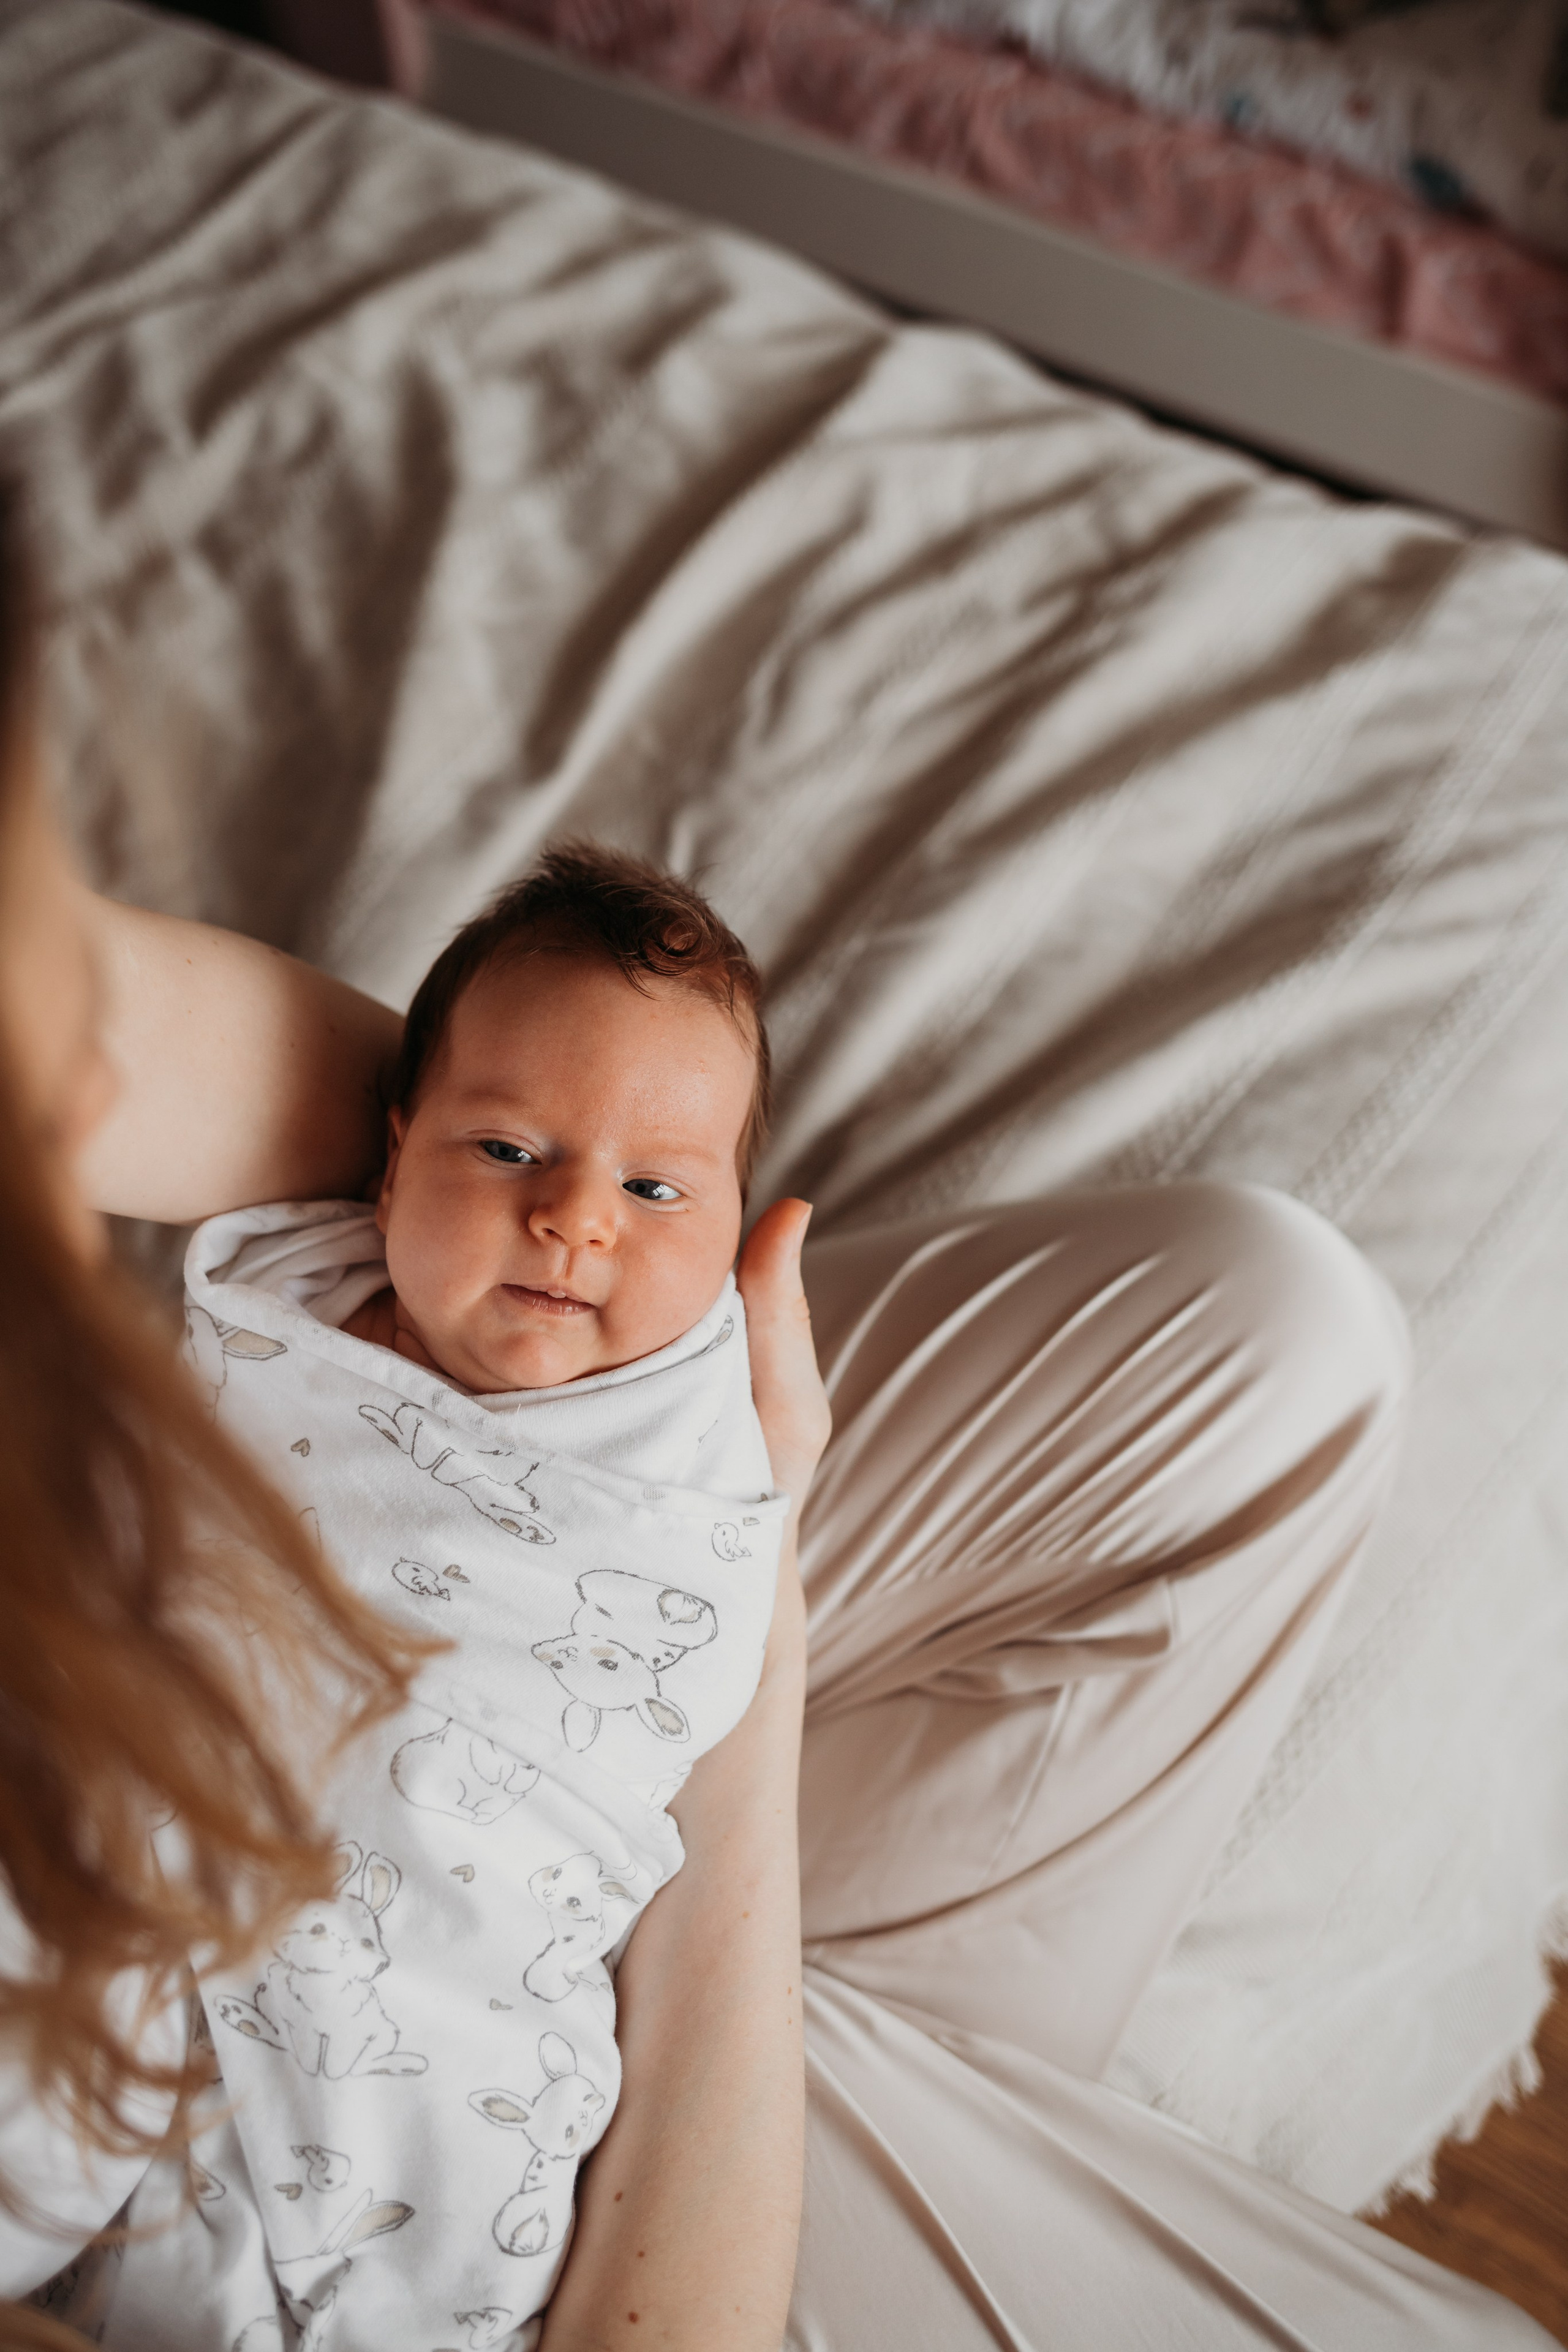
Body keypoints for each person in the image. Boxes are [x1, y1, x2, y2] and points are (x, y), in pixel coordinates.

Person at [0, 493, 1553, 2351]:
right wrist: (746, 1683)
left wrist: (728, 1519)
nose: (578, 1218)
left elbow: (99, 1026)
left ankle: (867, 2094)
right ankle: (874, 2131)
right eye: (511, 1154)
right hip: (470, 2177)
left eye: (658, 1190)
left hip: (562, 1764)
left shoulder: (476, 1307)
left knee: (1287, 1335)